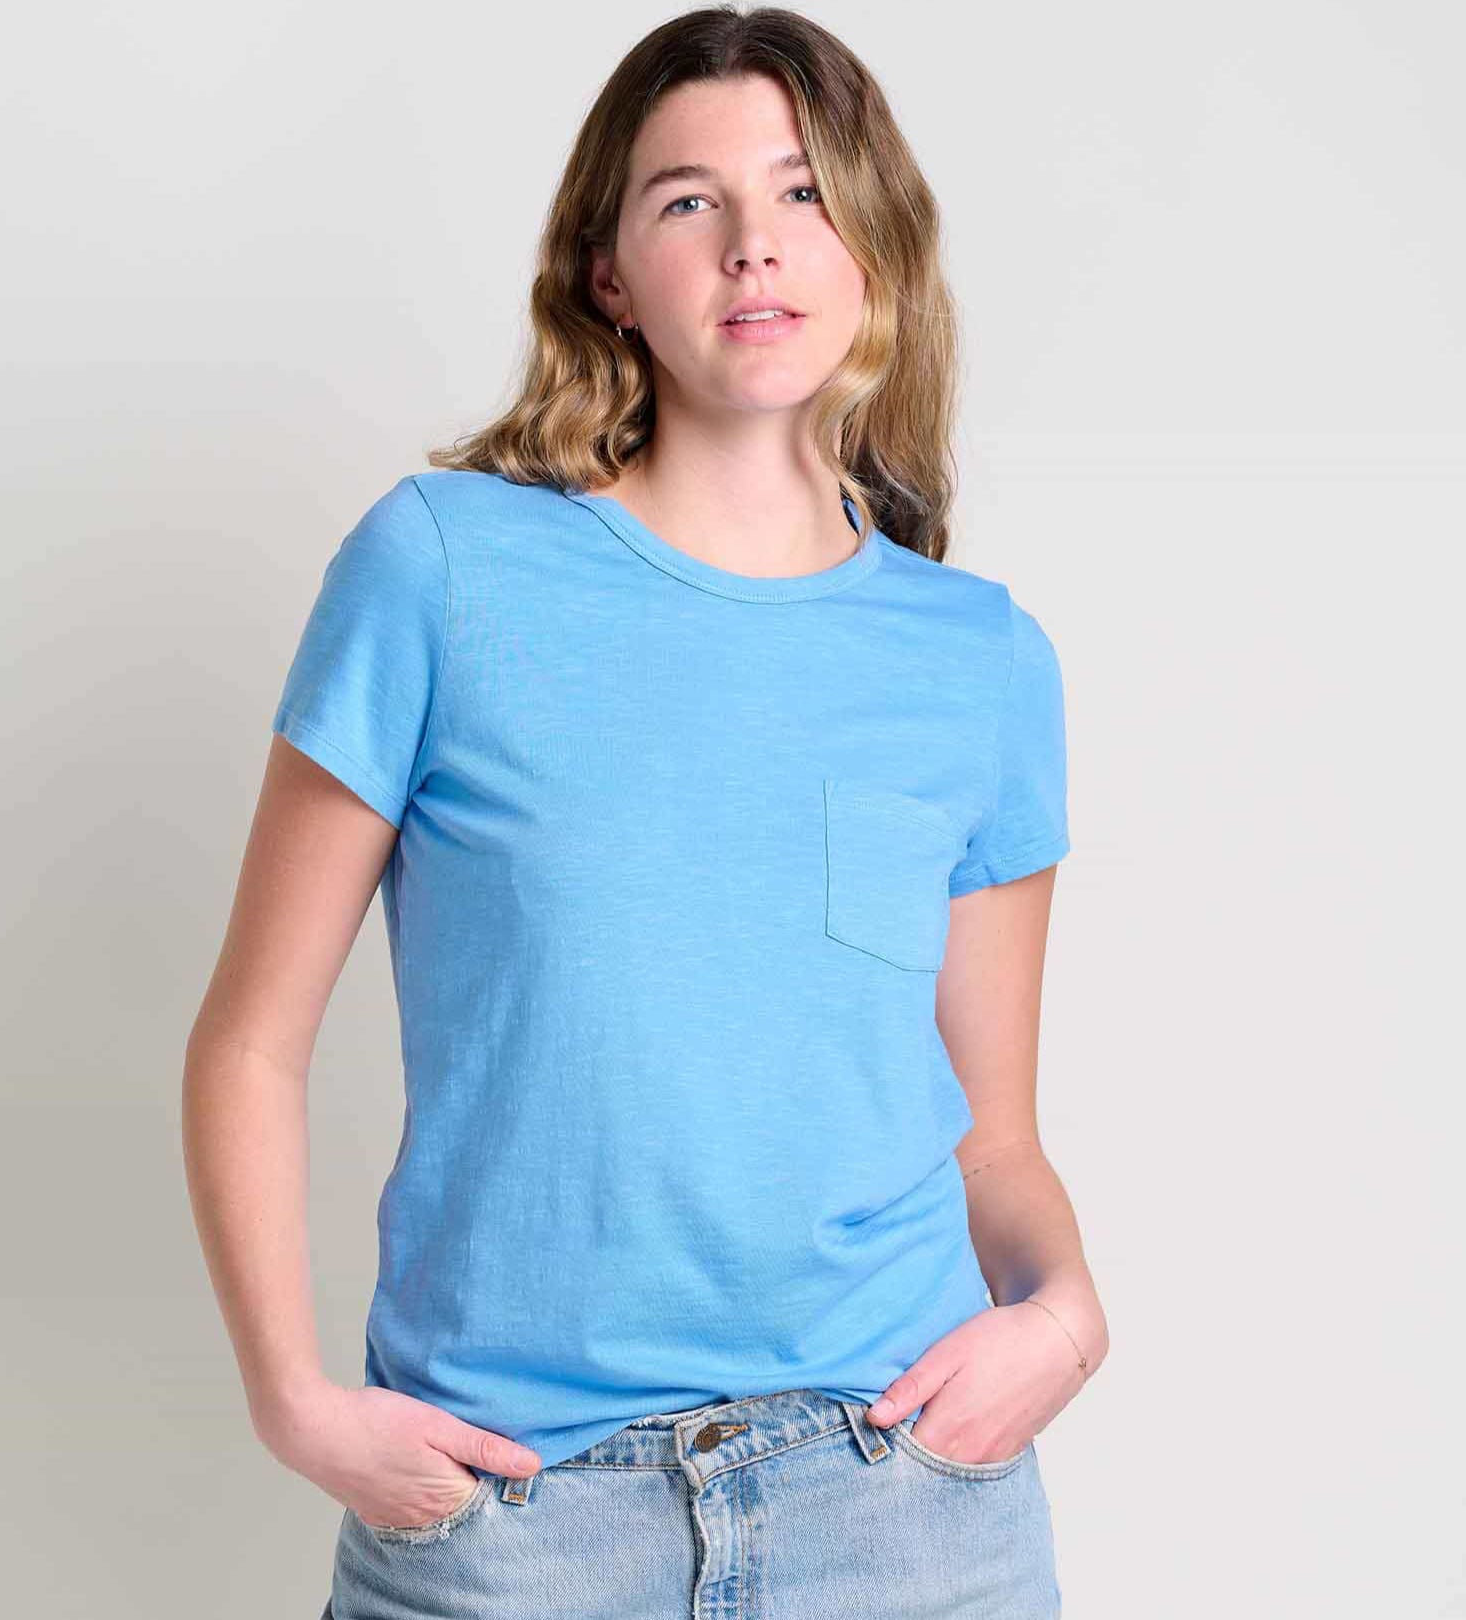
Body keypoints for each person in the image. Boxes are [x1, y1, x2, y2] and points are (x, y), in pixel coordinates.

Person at [183, 6, 1109, 1616]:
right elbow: (252, 1041)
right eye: (691, 200)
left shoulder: (981, 661)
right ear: (610, 273)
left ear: (875, 249)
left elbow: (995, 1138)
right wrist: (294, 1402)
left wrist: (1069, 1312)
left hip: (902, 1513)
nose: (755, 242)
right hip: (519, 1520)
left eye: (805, 192)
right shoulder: (441, 571)